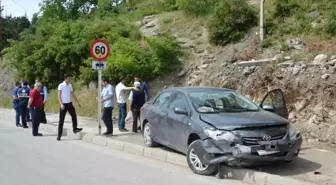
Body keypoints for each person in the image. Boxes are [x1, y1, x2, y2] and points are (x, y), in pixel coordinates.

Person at [57, 74, 83, 141]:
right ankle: (59, 135)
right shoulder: (61, 85)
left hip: (69, 104)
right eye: (68, 78)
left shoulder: (70, 85)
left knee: (74, 115)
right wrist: (61, 104)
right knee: (61, 120)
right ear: (65, 78)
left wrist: (77, 102)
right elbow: (59, 95)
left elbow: (73, 94)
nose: (69, 80)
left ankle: (75, 128)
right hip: (63, 104)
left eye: (70, 78)